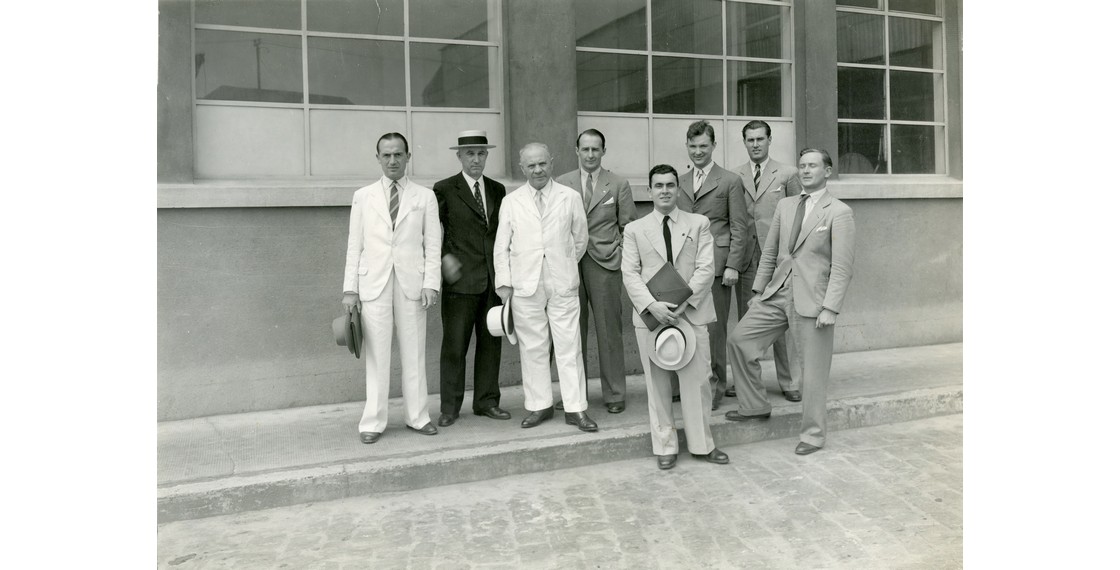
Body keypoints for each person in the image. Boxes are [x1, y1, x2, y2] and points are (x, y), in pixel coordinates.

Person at [726, 148, 855, 455]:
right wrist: (758, 291)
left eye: (813, 166)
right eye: (802, 166)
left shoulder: (839, 212)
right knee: (739, 341)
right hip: (777, 292)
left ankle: (813, 435)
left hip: (813, 300)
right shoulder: (785, 206)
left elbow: (842, 267)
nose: (806, 171)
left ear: (827, 171)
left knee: (812, 372)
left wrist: (830, 307)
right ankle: (754, 405)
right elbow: (771, 252)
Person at [621, 164, 729, 470]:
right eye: (659, 185)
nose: (665, 191)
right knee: (657, 386)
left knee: (698, 383)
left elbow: (706, 268)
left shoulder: (699, 224)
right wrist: (652, 306)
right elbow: (630, 273)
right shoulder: (635, 229)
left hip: (691, 312)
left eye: (670, 185)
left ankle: (702, 444)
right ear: (649, 191)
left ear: (678, 189)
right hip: (651, 316)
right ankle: (665, 446)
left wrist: (682, 303)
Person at [342, 132, 441, 444]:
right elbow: (355, 244)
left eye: (398, 154)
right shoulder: (363, 196)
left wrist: (431, 283)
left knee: (414, 352)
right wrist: (350, 289)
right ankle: (373, 421)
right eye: (386, 155)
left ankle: (418, 416)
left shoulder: (425, 197)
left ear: (408, 157)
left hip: (412, 283)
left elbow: (433, 245)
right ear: (378, 158)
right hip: (374, 282)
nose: (393, 160)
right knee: (377, 355)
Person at [493, 143, 598, 432]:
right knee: (533, 347)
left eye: (542, 163)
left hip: (561, 280)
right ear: (522, 168)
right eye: (531, 165)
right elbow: (501, 246)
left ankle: (575, 408)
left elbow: (580, 239)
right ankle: (539, 405)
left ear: (551, 162)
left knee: (569, 346)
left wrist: (562, 263)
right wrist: (505, 284)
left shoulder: (569, 197)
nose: (538, 170)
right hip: (525, 284)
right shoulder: (511, 202)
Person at [432, 130, 510, 427]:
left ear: (486, 155)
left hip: (491, 280)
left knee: (491, 344)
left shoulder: (498, 190)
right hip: (460, 282)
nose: (476, 159)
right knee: (455, 346)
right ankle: (450, 408)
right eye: (469, 154)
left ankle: (487, 402)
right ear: (459, 157)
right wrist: (444, 262)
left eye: (481, 153)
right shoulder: (444, 189)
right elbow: (431, 233)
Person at [555, 129, 635, 414]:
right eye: (585, 149)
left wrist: (619, 253)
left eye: (595, 149)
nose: (590, 155)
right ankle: (574, 395)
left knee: (609, 330)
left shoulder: (618, 183)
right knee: (572, 332)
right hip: (570, 265)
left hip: (605, 264)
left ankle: (614, 394)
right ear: (577, 151)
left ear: (603, 151)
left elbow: (629, 227)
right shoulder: (561, 183)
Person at [675, 120, 751, 410]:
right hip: (684, 266)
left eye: (703, 146)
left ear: (714, 146)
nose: (698, 151)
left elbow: (740, 226)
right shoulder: (679, 181)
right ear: (687, 146)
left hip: (718, 266)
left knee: (714, 329)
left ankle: (715, 387)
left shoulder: (729, 180)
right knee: (685, 325)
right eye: (693, 146)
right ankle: (687, 384)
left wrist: (733, 265)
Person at [728, 120, 804, 403]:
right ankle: (748, 381)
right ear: (744, 143)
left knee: (784, 318)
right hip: (748, 258)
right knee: (749, 320)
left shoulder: (787, 174)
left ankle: (790, 381)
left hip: (779, 260)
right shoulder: (735, 176)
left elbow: (800, 216)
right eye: (750, 140)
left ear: (769, 140)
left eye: (760, 139)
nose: (755, 144)